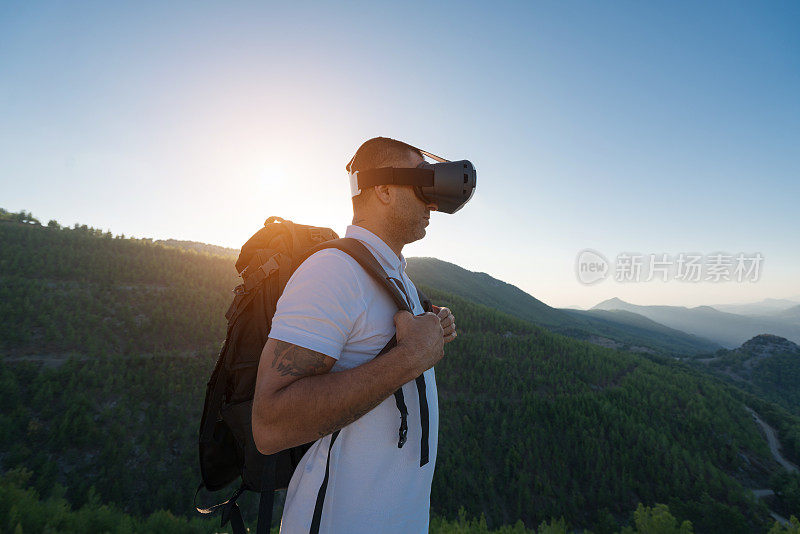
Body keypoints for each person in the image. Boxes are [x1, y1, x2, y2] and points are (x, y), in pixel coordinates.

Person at [251, 136, 457, 533]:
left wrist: (430, 334)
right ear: (382, 188)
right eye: (423, 185)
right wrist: (410, 359)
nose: (432, 203)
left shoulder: (396, 277)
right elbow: (269, 425)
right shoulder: (332, 272)